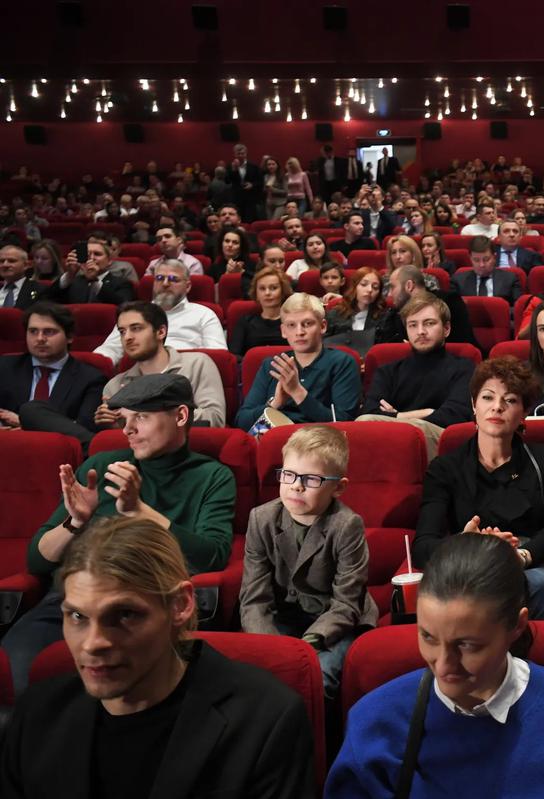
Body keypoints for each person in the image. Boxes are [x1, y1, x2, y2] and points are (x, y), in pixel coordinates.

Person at [0, 516, 314, 798]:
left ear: (180, 605)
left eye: (124, 615)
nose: (93, 644)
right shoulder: (36, 713)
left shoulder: (266, 719)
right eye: (78, 617)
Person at [0, 373, 236, 695]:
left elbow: (212, 556)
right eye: (125, 419)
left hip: (145, 602)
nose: (128, 430)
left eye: (141, 417)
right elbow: (36, 561)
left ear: (180, 416)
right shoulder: (101, 465)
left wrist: (139, 511)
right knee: (20, 666)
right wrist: (75, 522)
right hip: (74, 599)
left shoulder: (212, 476)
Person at [327, 532, 544, 797]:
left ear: (516, 626)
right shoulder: (376, 721)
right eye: (428, 637)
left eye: (467, 645)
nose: (442, 665)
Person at [414, 357, 544, 621]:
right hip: (471, 571)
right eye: (488, 398)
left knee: (541, 584)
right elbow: (423, 546)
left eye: (511, 400)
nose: (497, 407)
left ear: (525, 412)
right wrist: (465, 544)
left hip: (533, 565)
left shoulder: (543, 458)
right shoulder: (445, 467)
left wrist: (521, 556)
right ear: (473, 405)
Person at [239, 425, 375, 698]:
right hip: (281, 618)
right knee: (259, 679)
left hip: (333, 623)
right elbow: (254, 599)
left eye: (311, 479)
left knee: (317, 678)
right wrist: (274, 650)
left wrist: (307, 645)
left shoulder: (347, 525)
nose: (296, 486)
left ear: (338, 487)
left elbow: (346, 603)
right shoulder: (261, 519)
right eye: (288, 475)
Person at [358, 293, 474, 459]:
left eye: (429, 323)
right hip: (389, 443)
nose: (420, 332)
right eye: (413, 325)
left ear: (446, 329)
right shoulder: (387, 371)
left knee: (418, 428)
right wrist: (428, 411)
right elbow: (369, 412)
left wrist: (395, 416)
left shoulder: (464, 367)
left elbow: (455, 415)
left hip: (439, 443)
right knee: (365, 422)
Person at [236, 293, 361, 431]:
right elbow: (242, 421)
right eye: (291, 325)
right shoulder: (271, 365)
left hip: (318, 441)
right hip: (273, 436)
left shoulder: (342, 363)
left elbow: (344, 423)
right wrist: (275, 403)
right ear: (283, 331)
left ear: (323, 326)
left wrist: (297, 392)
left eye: (307, 324)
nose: (299, 332)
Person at [98, 301, 225, 428]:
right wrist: (109, 422)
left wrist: (146, 414)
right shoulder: (114, 386)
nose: (127, 337)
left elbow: (215, 419)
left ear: (161, 332)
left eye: (136, 328)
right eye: (122, 331)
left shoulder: (197, 364)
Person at [0, 302, 105, 444]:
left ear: (69, 337)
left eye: (49, 332)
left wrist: (27, 424)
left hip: (59, 454)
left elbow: (84, 434)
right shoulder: (4, 367)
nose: (40, 339)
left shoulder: (91, 379)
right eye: (33, 331)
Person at [94, 259, 227, 364]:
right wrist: (92, 365)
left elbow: (218, 356)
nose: (165, 284)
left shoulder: (204, 314)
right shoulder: (134, 314)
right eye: (159, 278)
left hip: (187, 374)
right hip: (141, 373)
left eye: (173, 279)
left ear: (187, 286)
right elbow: (111, 349)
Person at [45, 238, 135, 306]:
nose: (91, 258)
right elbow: (47, 301)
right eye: (87, 255)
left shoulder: (122, 283)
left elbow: (124, 306)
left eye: (97, 254)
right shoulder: (73, 282)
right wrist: (70, 274)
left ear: (109, 261)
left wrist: (94, 280)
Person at [229, 265, 290, 357]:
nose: (267, 293)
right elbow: (234, 356)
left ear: (282, 292)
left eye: (273, 288)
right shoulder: (245, 322)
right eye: (262, 288)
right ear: (256, 294)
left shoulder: (293, 322)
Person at [451, 236, 523, 304]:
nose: (481, 265)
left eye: (486, 259)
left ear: (494, 257)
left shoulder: (510, 279)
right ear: (470, 258)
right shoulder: (458, 281)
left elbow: (517, 309)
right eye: (476, 260)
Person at [324, 266, 386, 339]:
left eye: (375, 287)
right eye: (364, 284)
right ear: (354, 287)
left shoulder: (384, 318)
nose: (370, 290)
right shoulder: (335, 314)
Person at [0, 244, 43, 309]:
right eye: (1, 261)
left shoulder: (39, 290)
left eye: (11, 261)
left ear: (26, 265)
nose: (5, 265)